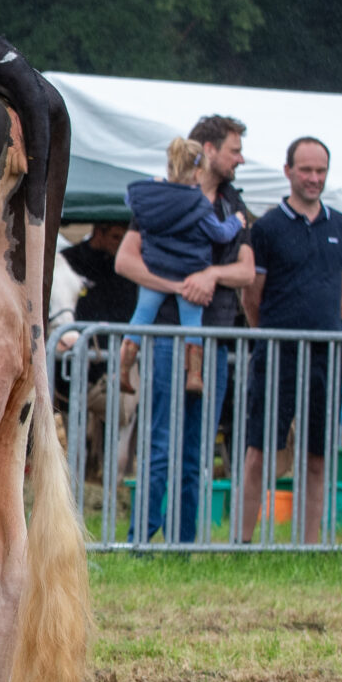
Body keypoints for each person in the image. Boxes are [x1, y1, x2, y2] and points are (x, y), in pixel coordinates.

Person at [114, 116, 253, 543]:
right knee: (159, 444)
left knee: (198, 449)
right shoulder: (161, 198)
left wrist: (210, 275)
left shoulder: (235, 206)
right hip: (169, 335)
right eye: (234, 150)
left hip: (217, 337)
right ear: (206, 152)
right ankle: (143, 535)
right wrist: (179, 285)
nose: (240, 159)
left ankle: (186, 539)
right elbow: (126, 261)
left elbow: (246, 271)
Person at [239, 137, 342, 544]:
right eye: (306, 170)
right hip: (275, 353)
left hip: (325, 356)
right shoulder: (268, 227)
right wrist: (271, 335)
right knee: (259, 450)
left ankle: (308, 546)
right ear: (288, 171)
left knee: (318, 456)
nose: (313, 178)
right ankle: (241, 541)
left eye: (320, 171)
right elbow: (251, 296)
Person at [124, 141, 248, 330]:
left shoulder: (152, 199)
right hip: (188, 274)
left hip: (155, 269)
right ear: (198, 173)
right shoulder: (200, 205)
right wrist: (236, 221)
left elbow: (131, 199)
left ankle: (126, 354)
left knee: (140, 319)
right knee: (192, 326)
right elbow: (221, 234)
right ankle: (194, 354)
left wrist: (153, 185)